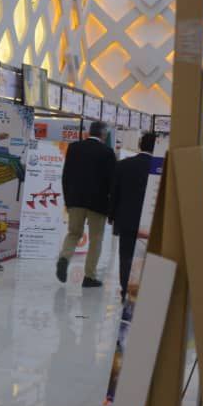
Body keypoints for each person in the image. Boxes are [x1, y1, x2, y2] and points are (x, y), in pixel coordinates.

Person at [56, 120, 116, 287]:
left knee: (73, 233)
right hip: (98, 203)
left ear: (89, 132)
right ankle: (89, 276)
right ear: (103, 134)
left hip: (75, 200)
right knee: (96, 239)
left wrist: (68, 201)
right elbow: (112, 182)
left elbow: (66, 175)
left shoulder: (74, 148)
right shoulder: (107, 152)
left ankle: (64, 258)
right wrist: (111, 207)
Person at [109, 132, 156, 302]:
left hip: (126, 219)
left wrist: (112, 216)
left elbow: (114, 193)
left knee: (126, 256)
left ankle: (125, 291)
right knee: (149, 257)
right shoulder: (159, 168)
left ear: (140, 144)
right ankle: (146, 292)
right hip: (151, 222)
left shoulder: (123, 165)